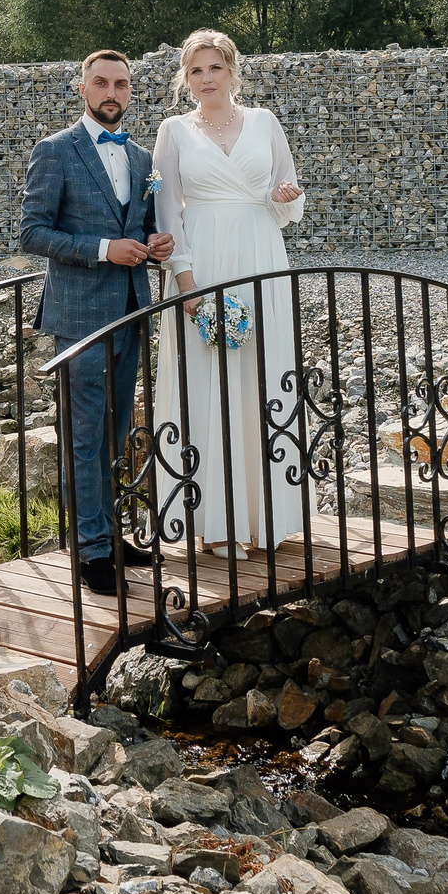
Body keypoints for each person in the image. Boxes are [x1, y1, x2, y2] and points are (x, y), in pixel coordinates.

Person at [18, 49, 173, 596]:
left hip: (131, 309)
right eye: (102, 83)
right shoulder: (55, 151)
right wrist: (106, 248)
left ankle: (108, 534)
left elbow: (145, 223)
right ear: (81, 88)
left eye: (122, 84)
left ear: (131, 91)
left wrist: (156, 243)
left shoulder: (140, 157)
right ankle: (90, 554)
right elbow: (32, 233)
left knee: (112, 432)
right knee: (84, 435)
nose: (113, 92)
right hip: (81, 315)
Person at [151, 28, 307, 557]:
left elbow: (286, 201)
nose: (206, 79)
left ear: (233, 70)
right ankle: (214, 523)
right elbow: (167, 212)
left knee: (263, 376)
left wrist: (284, 195)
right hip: (204, 263)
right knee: (207, 383)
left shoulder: (265, 123)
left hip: (262, 254)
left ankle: (267, 517)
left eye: (214, 67)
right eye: (195, 70)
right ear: (185, 78)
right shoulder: (173, 130)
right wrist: (186, 284)